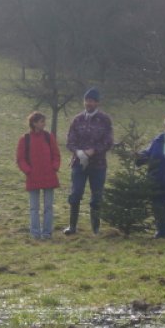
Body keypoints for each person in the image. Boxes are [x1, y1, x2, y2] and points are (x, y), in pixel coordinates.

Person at [64, 87, 114, 235]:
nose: (88, 103)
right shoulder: (77, 119)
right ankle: (72, 226)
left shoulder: (104, 120)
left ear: (97, 103)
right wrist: (78, 152)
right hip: (78, 163)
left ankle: (95, 229)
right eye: (86, 100)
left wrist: (94, 150)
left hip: (98, 165)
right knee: (75, 194)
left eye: (91, 101)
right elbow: (70, 140)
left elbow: (108, 141)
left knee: (96, 196)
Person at [16, 111, 61, 239]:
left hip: (49, 176)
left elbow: (56, 155)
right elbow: (20, 159)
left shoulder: (49, 137)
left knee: (48, 207)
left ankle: (47, 234)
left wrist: (54, 168)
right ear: (34, 123)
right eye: (42, 121)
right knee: (34, 208)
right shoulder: (24, 139)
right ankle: (35, 234)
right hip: (33, 178)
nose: (44, 123)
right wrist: (28, 171)